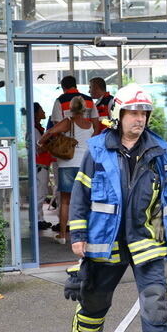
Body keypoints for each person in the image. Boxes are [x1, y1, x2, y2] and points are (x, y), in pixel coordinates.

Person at [64, 84, 167, 332]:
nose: (139, 119)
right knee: (96, 294)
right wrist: (78, 236)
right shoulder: (97, 150)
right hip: (107, 238)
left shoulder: (160, 152)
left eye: (144, 113)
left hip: (147, 237)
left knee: (155, 297)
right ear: (119, 114)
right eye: (133, 112)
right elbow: (81, 194)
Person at [38, 96, 97, 245]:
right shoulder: (90, 125)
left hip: (67, 165)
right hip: (85, 165)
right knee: (87, 200)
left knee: (65, 201)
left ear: (70, 108)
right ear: (84, 109)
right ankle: (87, 234)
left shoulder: (68, 122)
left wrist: (41, 142)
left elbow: (51, 132)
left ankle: (63, 235)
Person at [31, 102, 55, 233]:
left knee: (41, 192)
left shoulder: (37, 128)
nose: (43, 111)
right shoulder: (35, 130)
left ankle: (40, 218)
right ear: (35, 114)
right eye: (41, 110)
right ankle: (37, 220)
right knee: (39, 194)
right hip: (39, 164)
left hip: (42, 164)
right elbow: (38, 149)